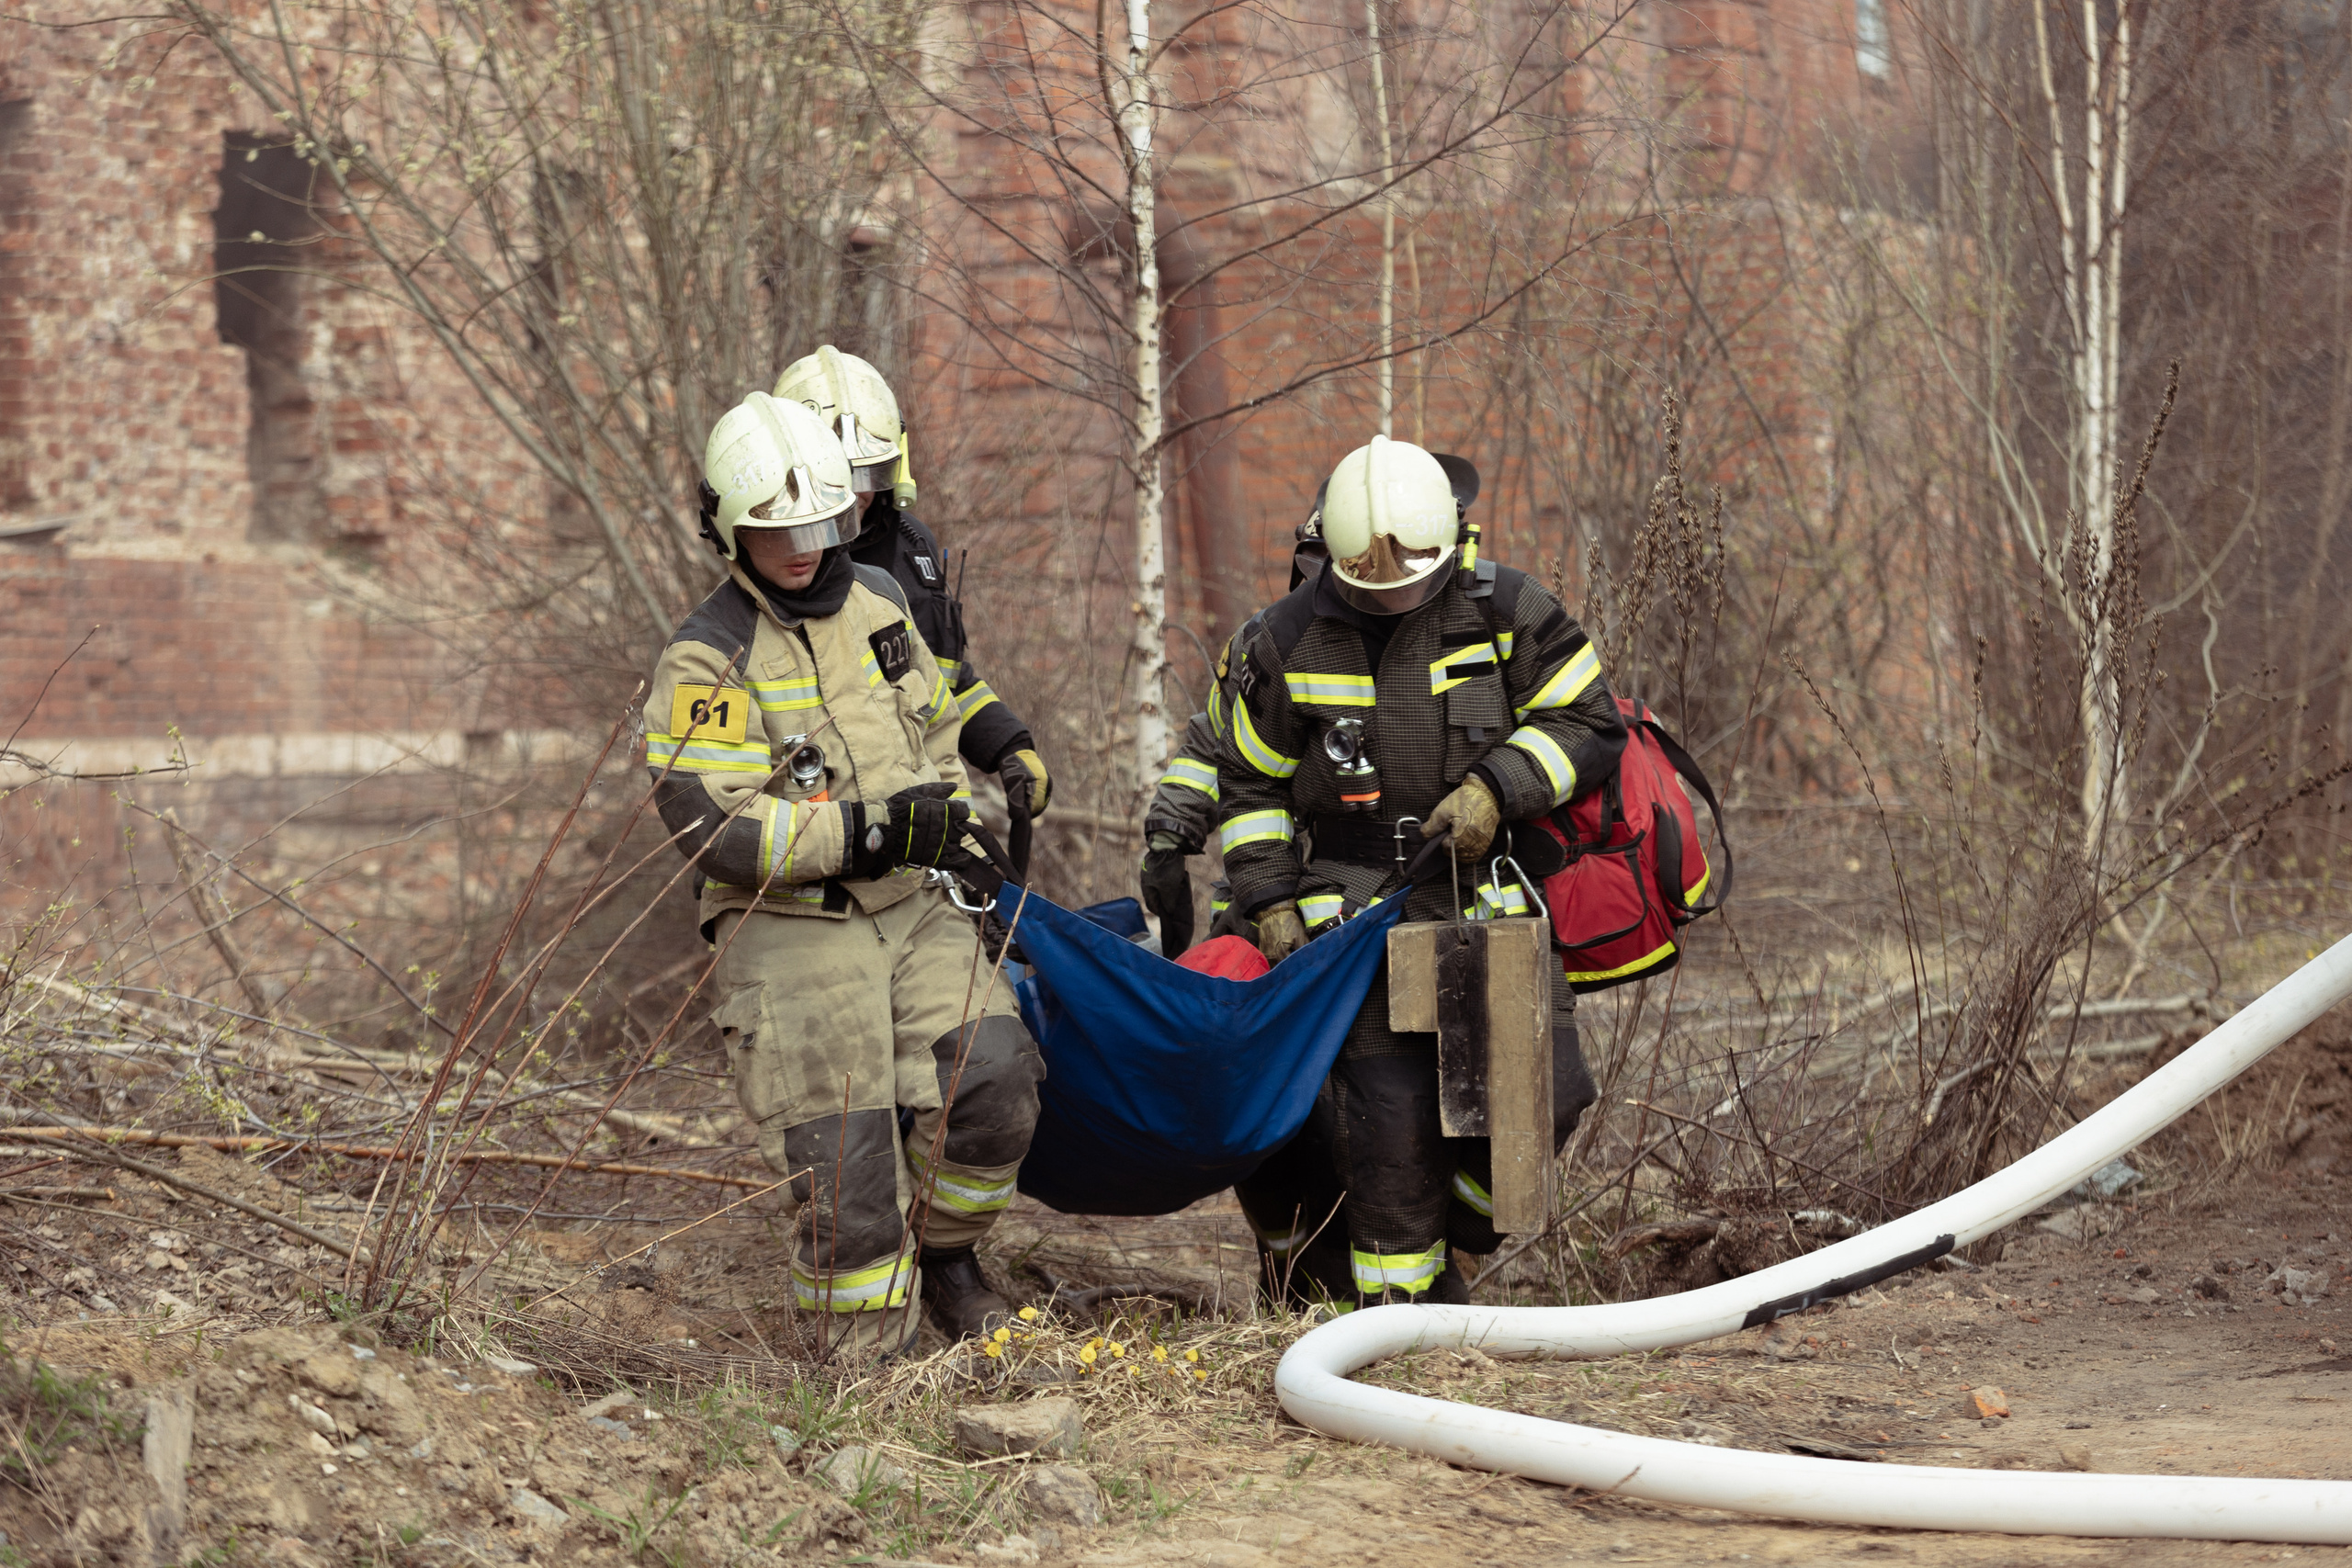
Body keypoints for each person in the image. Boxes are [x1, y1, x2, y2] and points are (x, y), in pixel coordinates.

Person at [649, 389, 1043, 1354]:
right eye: (774, 531)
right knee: (847, 1167)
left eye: (821, 525)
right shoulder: (704, 661)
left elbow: (936, 722)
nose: (801, 550)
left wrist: (952, 820)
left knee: (994, 1083)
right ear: (727, 530)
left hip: (916, 907)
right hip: (791, 927)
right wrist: (870, 834)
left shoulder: (882, 603)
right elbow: (716, 830)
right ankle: (865, 1361)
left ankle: (947, 1259)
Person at [1214, 434, 1627, 1306]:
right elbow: (1248, 781)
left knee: (1536, 1108)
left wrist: (1495, 786)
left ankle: (1462, 1242)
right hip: (1355, 919)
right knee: (1392, 1139)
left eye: (1410, 576)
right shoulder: (1284, 640)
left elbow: (1589, 723)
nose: (1392, 592)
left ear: (1451, 541)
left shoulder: (1509, 609)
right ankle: (1404, 1319)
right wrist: (1268, 899)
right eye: (1371, 580)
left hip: (1484, 904)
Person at [768, 345, 1053, 827]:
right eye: (842, 472)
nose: (859, 492)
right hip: (822, 830)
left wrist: (1005, 744)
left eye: (871, 472)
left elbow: (935, 676)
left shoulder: (912, 546)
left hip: (922, 808)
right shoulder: (785, 565)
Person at [1137, 524, 1331, 957]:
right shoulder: (1265, 641)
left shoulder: (1474, 631)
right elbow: (1213, 751)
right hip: (1263, 900)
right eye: (1316, 565)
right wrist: (1170, 834)